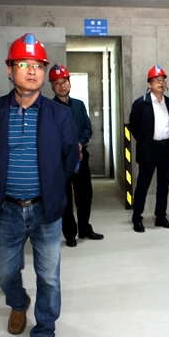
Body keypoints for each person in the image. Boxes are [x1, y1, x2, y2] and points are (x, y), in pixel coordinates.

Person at [0, 33, 78, 337]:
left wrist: (51, 187)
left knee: (48, 275)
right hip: (7, 208)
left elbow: (70, 158)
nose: (32, 70)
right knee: (6, 272)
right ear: (10, 70)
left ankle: (44, 331)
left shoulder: (58, 114)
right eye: (23, 64)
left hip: (45, 209)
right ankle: (18, 303)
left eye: (37, 65)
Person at [48, 63, 104, 246]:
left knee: (85, 195)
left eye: (64, 81)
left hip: (81, 157)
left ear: (69, 83)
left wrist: (79, 144)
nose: (62, 85)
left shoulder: (79, 105)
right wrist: (70, 150)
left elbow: (87, 127)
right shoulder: (49, 108)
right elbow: (50, 136)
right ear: (52, 86)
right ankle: (70, 234)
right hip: (61, 160)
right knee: (65, 199)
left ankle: (85, 228)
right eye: (57, 83)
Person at [128, 65, 169, 232]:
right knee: (143, 185)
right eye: (157, 80)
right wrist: (144, 142)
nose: (161, 82)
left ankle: (160, 216)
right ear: (149, 84)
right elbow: (134, 126)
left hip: (166, 148)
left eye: (163, 80)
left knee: (163, 185)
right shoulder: (141, 103)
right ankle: (137, 218)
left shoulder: (168, 102)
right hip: (149, 149)